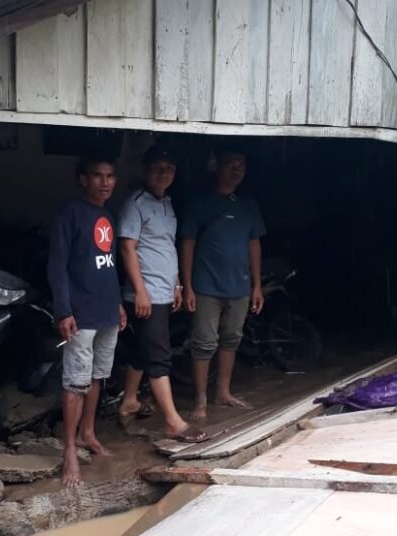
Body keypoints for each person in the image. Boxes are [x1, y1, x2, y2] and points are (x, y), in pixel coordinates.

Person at [117, 146, 208, 443]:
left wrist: (178, 284)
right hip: (146, 295)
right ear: (144, 170)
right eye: (157, 167)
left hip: (163, 291)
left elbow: (167, 247)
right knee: (160, 356)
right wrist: (140, 292)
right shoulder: (135, 203)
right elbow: (127, 248)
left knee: (143, 351)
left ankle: (130, 400)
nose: (163, 173)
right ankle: (173, 422)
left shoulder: (167, 203)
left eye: (168, 168)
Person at [47, 152, 127, 487]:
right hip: (80, 315)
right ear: (83, 179)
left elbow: (108, 267)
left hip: (107, 311)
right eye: (97, 175)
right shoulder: (70, 214)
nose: (105, 182)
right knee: (75, 383)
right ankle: (69, 450)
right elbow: (57, 266)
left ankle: (88, 434)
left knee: (96, 378)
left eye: (109, 176)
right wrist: (64, 310)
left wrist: (119, 304)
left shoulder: (106, 215)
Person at [179, 146, 266, 421]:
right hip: (206, 286)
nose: (236, 169)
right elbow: (187, 243)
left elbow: (254, 244)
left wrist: (257, 285)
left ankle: (223, 392)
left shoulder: (248, 204)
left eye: (241, 164)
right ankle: (201, 400)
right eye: (230, 163)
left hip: (239, 286)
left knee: (231, 340)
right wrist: (187, 284)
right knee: (204, 343)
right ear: (216, 166)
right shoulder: (201, 203)